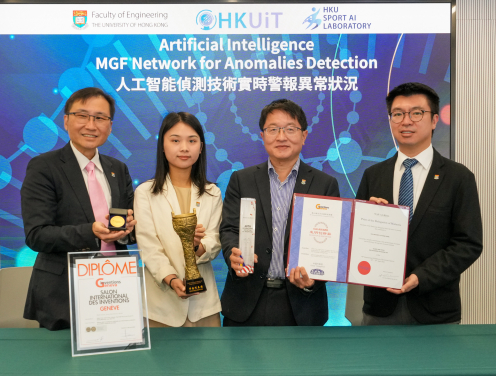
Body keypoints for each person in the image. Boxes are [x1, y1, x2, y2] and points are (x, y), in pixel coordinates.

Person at [356, 82, 483, 325]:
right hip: (379, 310)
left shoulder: (458, 177)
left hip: (435, 310)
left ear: (434, 120)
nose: (406, 121)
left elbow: (468, 244)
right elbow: (355, 241)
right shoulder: (373, 175)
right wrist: (364, 219)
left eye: (416, 113)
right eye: (398, 114)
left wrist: (420, 277)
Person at [21, 87, 136, 331]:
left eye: (100, 118)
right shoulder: (44, 167)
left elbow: (126, 226)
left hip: (114, 290)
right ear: (66, 120)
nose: (91, 125)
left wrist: (127, 232)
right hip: (63, 294)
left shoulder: (118, 169)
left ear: (110, 125)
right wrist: (91, 231)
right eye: (82, 116)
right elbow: (37, 234)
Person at [220, 99, 340, 326]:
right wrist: (232, 255)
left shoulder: (325, 184)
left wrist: (314, 278)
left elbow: (331, 244)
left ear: (304, 136)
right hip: (246, 301)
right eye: (273, 129)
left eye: (290, 129)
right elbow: (229, 229)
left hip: (301, 304)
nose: (281, 137)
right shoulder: (242, 180)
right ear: (262, 136)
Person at [134, 112, 222, 327]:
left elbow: (215, 239)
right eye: (175, 140)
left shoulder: (213, 192)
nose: (184, 148)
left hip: (203, 307)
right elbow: (149, 246)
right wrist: (171, 279)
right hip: (160, 308)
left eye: (192, 141)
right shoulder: (145, 192)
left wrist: (198, 247)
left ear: (200, 147)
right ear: (162, 146)